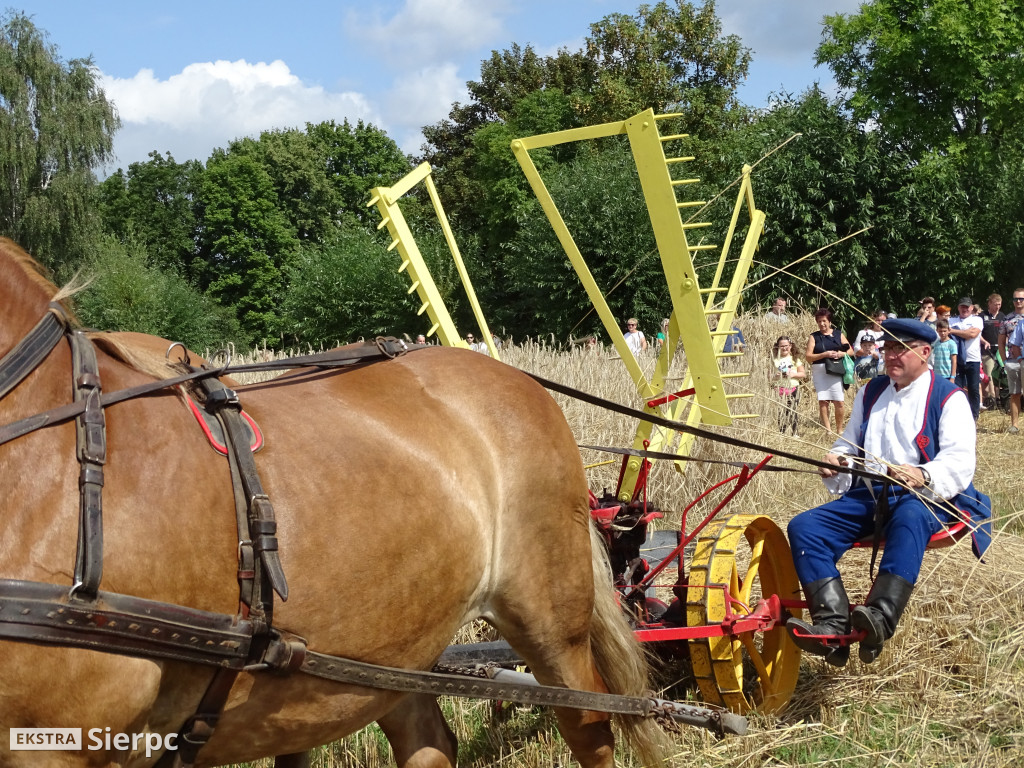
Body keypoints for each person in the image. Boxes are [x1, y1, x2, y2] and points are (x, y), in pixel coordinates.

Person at [786, 318, 991, 667]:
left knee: (910, 515)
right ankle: (832, 624)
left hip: (927, 497)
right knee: (804, 527)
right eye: (888, 348)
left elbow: (959, 462)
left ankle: (879, 619)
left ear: (925, 353)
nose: (891, 355)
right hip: (869, 495)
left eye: (901, 348)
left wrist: (922, 473)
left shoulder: (949, 398)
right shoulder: (872, 390)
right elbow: (850, 441)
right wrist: (838, 459)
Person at [805, 308, 852, 433]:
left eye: (824, 321)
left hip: (835, 369)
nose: (822, 324)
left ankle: (840, 429)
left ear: (830, 321)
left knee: (839, 401)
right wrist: (824, 354)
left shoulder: (838, 334)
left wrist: (842, 354)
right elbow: (808, 357)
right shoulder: (814, 336)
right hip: (820, 370)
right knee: (823, 401)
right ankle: (828, 430)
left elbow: (851, 351)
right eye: (819, 321)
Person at [949, 297, 983, 420]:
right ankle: (958, 415)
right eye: (962, 306)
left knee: (973, 389)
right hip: (956, 360)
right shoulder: (951, 320)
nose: (965, 309)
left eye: (967, 307)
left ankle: (974, 416)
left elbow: (972, 334)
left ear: (972, 308)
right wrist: (964, 332)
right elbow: (944, 333)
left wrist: (953, 331)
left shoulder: (977, 320)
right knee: (956, 389)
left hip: (973, 359)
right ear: (958, 308)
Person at [1001, 288, 1024, 434]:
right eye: (1015, 299)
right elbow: (1001, 342)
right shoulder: (1007, 319)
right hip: (1013, 361)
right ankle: (1014, 425)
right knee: (1015, 393)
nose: (1018, 301)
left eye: (1021, 299)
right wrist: (1005, 362)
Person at [772, 336, 805, 435]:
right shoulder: (774, 360)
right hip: (779, 388)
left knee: (792, 410)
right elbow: (768, 375)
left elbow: (803, 374)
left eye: (786, 346)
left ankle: (794, 432)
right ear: (778, 347)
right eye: (781, 346)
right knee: (781, 411)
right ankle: (782, 431)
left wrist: (794, 374)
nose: (784, 348)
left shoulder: (795, 359)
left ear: (790, 346)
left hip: (793, 387)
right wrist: (776, 376)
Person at [980, 294, 1004, 410]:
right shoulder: (982, 316)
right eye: (995, 304)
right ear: (989, 303)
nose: (997, 307)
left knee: (999, 375)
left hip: (1000, 350)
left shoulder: (1002, 316)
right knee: (989, 375)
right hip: (986, 350)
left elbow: (1006, 333)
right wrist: (984, 342)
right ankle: (992, 399)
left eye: (999, 304)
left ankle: (1000, 398)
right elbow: (977, 333)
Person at [853, 311, 887, 379]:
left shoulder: (888, 334)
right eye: (878, 320)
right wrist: (871, 354)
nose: (880, 323)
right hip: (867, 370)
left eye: (882, 320)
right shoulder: (864, 332)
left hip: (884, 371)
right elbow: (856, 350)